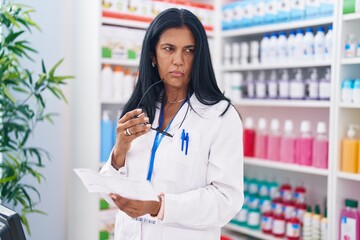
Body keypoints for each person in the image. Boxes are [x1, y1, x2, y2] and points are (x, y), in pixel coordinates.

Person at [100, 8, 244, 240]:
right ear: (153, 55)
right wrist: (119, 152)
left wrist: (159, 206)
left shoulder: (220, 116)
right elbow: (111, 194)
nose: (179, 60)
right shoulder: (139, 109)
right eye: (169, 49)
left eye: (189, 51)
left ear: (200, 57)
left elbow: (227, 200)